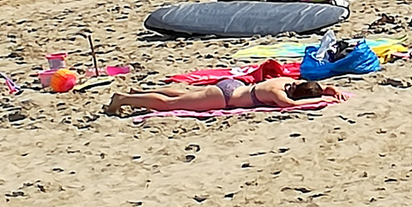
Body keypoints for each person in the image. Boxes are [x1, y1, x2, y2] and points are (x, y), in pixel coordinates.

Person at [105, 77, 340, 117]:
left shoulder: (284, 83)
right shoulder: (277, 94)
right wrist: (323, 100)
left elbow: (305, 89)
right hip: (225, 97)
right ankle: (123, 99)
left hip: (231, 87)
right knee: (170, 104)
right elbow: (289, 106)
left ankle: (139, 93)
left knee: (187, 94)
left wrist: (328, 89)